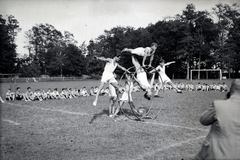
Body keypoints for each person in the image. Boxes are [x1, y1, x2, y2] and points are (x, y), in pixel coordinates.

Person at [194, 79, 240, 160]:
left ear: (230, 89)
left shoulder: (218, 105)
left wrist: (225, 100)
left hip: (216, 155)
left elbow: (203, 120)